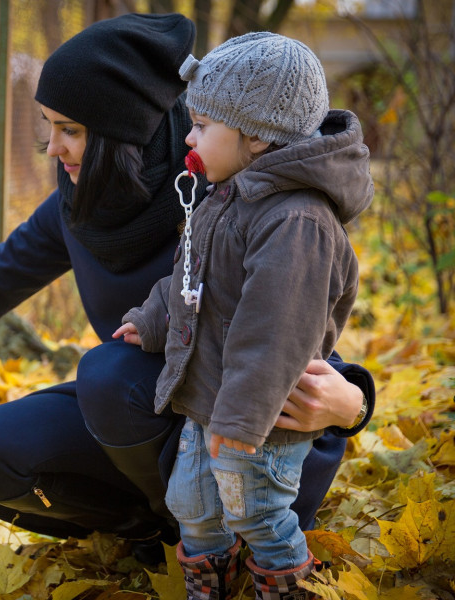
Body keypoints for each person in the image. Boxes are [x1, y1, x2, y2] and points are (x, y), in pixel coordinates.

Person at [0, 13, 374, 565]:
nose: (52, 147)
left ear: (122, 131)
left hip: (257, 432)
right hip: (156, 414)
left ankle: (230, 534)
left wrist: (353, 404)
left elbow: (293, 322)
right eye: (47, 125)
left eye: (69, 129)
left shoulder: (227, 180)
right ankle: (160, 529)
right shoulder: (82, 203)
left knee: (108, 373)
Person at [115, 33, 373, 598]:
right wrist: (155, 316)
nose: (189, 136)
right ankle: (212, 578)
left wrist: (239, 422)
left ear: (256, 136)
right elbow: (192, 275)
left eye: (202, 125)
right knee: (193, 502)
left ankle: (284, 581)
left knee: (258, 510)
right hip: (210, 400)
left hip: (261, 417)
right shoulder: (230, 194)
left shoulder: (296, 222)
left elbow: (275, 334)